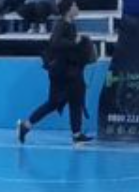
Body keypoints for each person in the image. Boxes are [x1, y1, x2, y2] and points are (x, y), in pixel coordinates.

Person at [17, 0, 95, 145]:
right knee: (53, 103)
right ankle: (26, 125)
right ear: (68, 9)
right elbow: (55, 43)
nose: (77, 8)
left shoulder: (71, 25)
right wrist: (75, 42)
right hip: (61, 73)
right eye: (75, 5)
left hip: (72, 70)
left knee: (75, 101)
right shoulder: (61, 24)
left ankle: (77, 134)